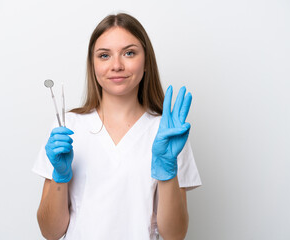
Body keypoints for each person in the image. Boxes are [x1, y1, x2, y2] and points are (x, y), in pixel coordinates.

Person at [33, 13, 201, 240]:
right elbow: (50, 232)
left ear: (146, 62)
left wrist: (167, 172)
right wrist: (60, 176)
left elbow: (175, 235)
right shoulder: (67, 127)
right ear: (92, 65)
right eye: (104, 55)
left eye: (129, 53)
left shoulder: (167, 133)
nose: (116, 65)